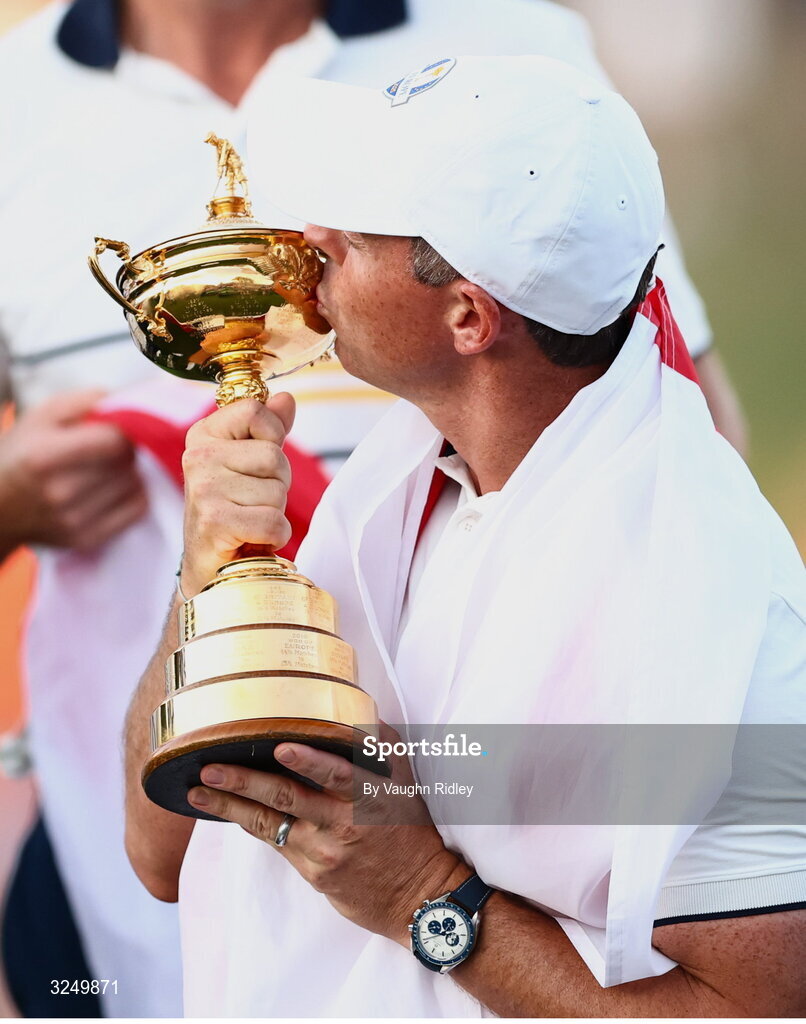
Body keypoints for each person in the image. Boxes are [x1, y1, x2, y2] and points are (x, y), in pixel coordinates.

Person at [0, 0, 746, 1015]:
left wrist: (423, 893)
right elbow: (159, 847)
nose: (306, 245)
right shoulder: (377, 512)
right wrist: (206, 560)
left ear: (468, 315)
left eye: (354, 227)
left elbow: (746, 1003)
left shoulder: (700, 615)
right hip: (116, 914)